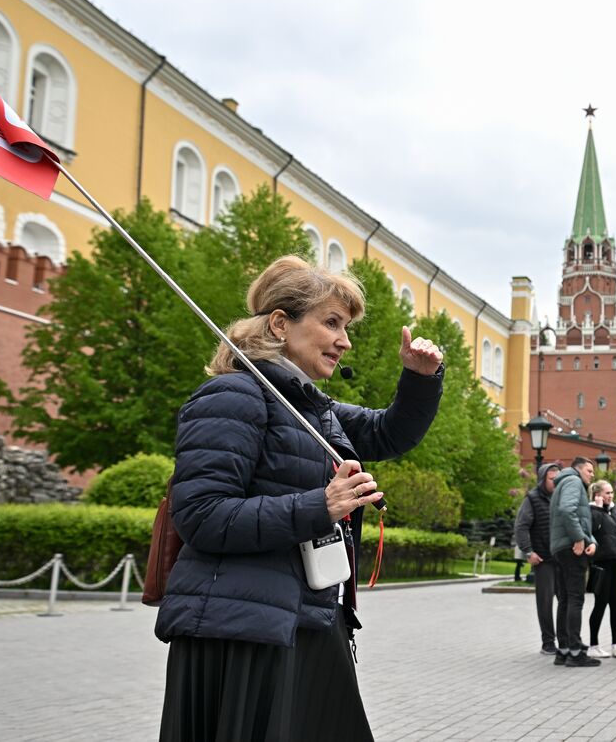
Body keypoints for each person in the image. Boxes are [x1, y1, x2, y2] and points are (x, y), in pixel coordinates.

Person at [155, 255, 445, 741]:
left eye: (346, 325)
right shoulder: (232, 396)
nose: (344, 340)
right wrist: (321, 506)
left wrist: (418, 378)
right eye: (332, 322)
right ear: (279, 324)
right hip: (242, 634)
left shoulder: (314, 408)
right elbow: (201, 516)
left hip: (304, 619)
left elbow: (389, 433)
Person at [549, 455, 599, 667]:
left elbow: (576, 517)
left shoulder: (564, 483)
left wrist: (590, 539)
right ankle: (576, 653)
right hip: (571, 548)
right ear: (579, 469)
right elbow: (567, 510)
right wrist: (579, 538)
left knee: (565, 600)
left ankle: (564, 650)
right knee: (575, 599)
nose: (592, 474)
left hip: (561, 547)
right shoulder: (573, 482)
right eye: (589, 470)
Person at [513, 461, 562, 655]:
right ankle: (548, 642)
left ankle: (566, 640)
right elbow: (521, 526)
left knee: (566, 601)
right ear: (543, 480)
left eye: (558, 479)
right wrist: (528, 551)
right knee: (545, 602)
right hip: (543, 560)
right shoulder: (532, 499)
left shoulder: (562, 498)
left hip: (562, 558)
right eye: (552, 479)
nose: (556, 483)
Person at [587, 478, 616, 658]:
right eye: (607, 493)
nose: (610, 496)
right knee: (600, 603)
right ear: (598, 494)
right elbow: (592, 528)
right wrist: (597, 508)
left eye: (612, 492)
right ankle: (593, 644)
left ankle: (615, 644)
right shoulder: (591, 510)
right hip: (603, 562)